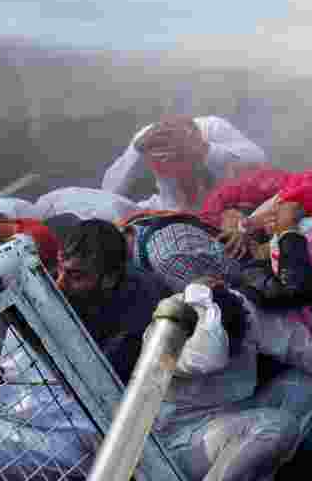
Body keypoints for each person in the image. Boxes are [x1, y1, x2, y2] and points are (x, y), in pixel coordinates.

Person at [155, 281, 312, 481]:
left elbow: (305, 352)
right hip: (181, 441)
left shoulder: (239, 312)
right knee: (275, 427)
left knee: (307, 383)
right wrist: (198, 291)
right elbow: (206, 355)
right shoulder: (171, 334)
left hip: (232, 414)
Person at [53, 217, 169, 382]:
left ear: (110, 278)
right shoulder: (73, 285)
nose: (59, 284)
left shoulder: (142, 309)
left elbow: (98, 379)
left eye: (76, 276)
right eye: (60, 269)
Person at [102, 115, 266, 212]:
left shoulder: (213, 127)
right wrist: (137, 151)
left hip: (227, 211)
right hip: (167, 210)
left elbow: (260, 160)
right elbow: (110, 190)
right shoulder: (148, 137)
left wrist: (205, 150)